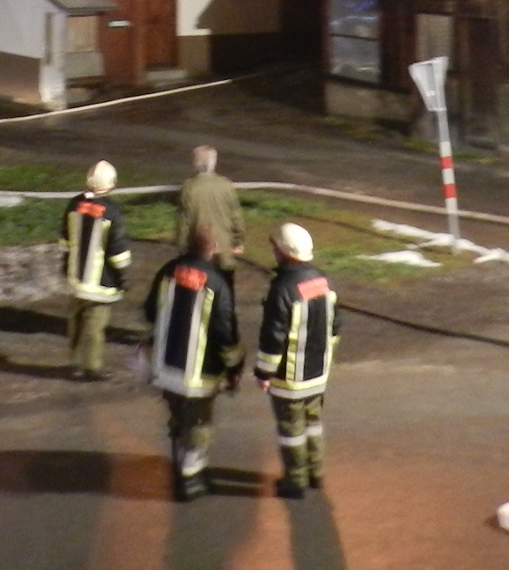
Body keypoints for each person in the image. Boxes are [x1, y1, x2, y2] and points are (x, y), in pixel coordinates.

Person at [145, 221, 244, 502]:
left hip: (166, 367)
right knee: (198, 425)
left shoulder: (167, 272)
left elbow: (151, 311)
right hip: (201, 373)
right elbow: (225, 332)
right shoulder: (216, 282)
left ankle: (179, 468)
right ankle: (190, 479)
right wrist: (234, 367)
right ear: (211, 249)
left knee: (177, 418)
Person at [255, 222, 340, 499]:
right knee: (313, 424)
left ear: (283, 252)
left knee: (292, 431)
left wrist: (264, 372)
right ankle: (316, 473)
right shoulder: (323, 281)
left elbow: (273, 338)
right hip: (317, 374)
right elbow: (335, 327)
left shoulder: (282, 289)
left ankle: (296, 480)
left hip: (289, 379)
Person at [64, 160, 131, 381]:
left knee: (76, 321)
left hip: (77, 277)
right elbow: (118, 251)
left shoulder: (74, 205)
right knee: (94, 326)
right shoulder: (111, 212)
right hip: (100, 282)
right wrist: (123, 276)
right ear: (111, 183)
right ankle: (92, 367)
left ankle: (74, 364)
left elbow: (64, 241)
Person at [176, 144, 244, 280]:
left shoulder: (189, 187)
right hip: (224, 252)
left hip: (198, 254)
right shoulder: (226, 185)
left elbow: (184, 223)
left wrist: (182, 250)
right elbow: (236, 217)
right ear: (214, 162)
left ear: (195, 163)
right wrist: (238, 240)